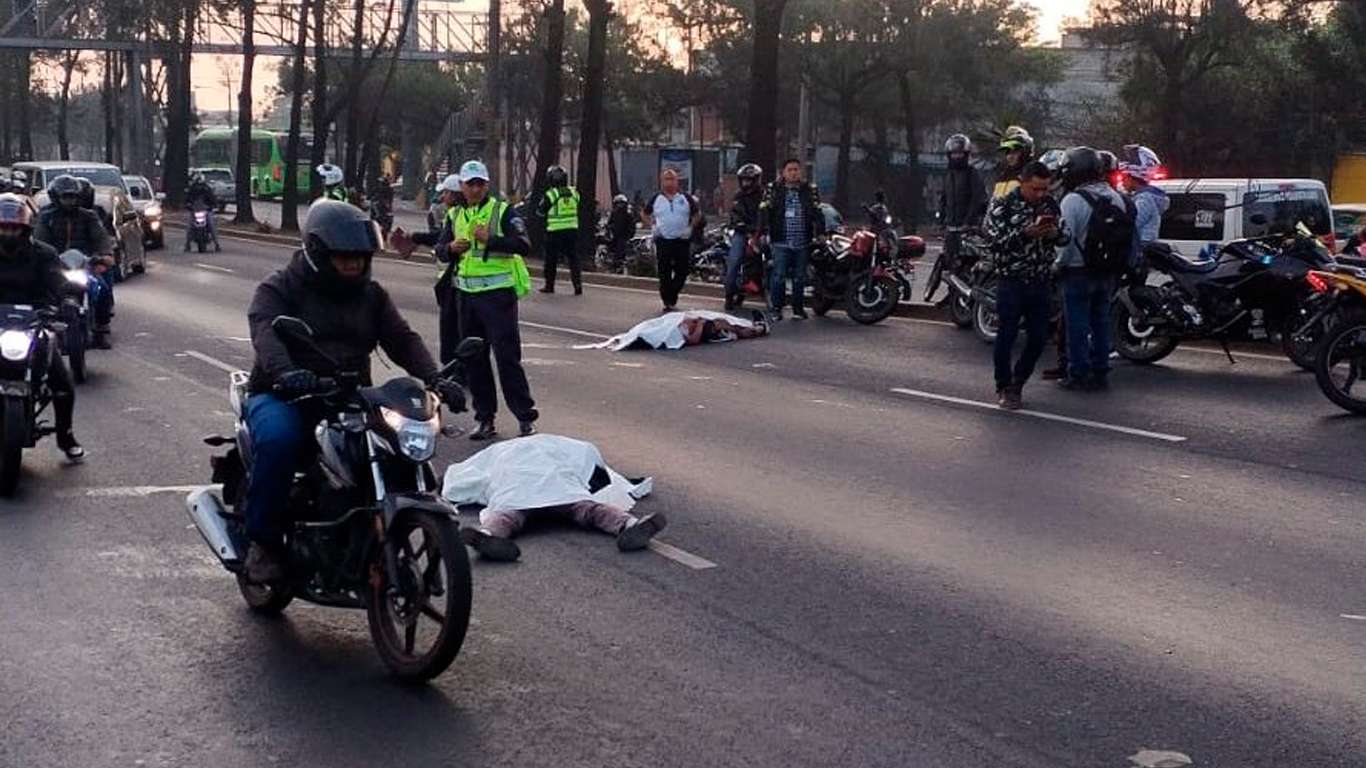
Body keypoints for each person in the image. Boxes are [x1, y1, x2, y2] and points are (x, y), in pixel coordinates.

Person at [241, 200, 462, 583]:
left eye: (360, 258)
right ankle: (264, 544)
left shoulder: (371, 296)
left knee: (395, 447)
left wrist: (435, 378)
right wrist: (290, 374)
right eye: (344, 258)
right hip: (284, 395)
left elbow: (402, 340)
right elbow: (267, 336)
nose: (354, 265)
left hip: (349, 397)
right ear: (318, 253)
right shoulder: (279, 289)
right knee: (279, 441)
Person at [449, 159, 539, 441]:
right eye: (470, 184)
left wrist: (492, 240)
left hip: (497, 297)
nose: (475, 189)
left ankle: (525, 418)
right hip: (467, 297)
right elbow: (441, 247)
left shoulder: (502, 211)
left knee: (507, 358)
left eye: (480, 184)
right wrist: (449, 248)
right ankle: (485, 418)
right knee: (474, 361)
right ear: (462, 186)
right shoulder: (454, 215)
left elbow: (524, 245)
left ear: (487, 185)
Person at [0, 194, 84, 460]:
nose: (8, 233)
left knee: (62, 383)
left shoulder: (43, 254)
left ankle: (65, 435)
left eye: (13, 228)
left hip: (34, 324)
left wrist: (68, 300)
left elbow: (58, 282)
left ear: (25, 229)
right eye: (3, 228)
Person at [982, 162, 1069, 410]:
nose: (1040, 194)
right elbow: (994, 242)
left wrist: (1053, 234)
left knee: (1039, 338)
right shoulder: (1003, 205)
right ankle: (1004, 385)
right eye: (1035, 189)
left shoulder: (1050, 205)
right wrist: (1024, 234)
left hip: (1040, 280)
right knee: (1006, 335)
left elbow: (1066, 236)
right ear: (1023, 182)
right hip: (1011, 280)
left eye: (1045, 189)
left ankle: (1018, 381)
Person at [1054, 146, 1134, 391]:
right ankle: (1101, 369)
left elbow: (1065, 241)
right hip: (1108, 271)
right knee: (1101, 321)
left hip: (1078, 272)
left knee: (1076, 324)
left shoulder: (1073, 201)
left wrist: (1057, 265)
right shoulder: (1118, 197)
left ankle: (1078, 372)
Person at [34, 175, 115, 350]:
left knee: (102, 289)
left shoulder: (89, 216)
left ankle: (102, 329)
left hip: (84, 264)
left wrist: (104, 255)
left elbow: (101, 238)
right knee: (40, 292)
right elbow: (40, 241)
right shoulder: (46, 217)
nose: (69, 201)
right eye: (65, 197)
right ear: (55, 197)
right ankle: (43, 328)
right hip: (55, 266)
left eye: (73, 196)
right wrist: (46, 258)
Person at [759, 158, 824, 321]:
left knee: (800, 276)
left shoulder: (809, 190)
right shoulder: (773, 189)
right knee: (779, 275)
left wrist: (821, 232)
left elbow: (817, 211)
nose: (794, 173)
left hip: (803, 240)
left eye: (796, 169)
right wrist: (762, 231)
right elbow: (764, 210)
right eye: (790, 170)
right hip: (781, 239)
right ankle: (776, 308)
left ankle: (798, 308)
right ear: (783, 172)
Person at [640, 169, 701, 312]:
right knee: (664, 271)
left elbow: (697, 214)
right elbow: (644, 213)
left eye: (671, 179)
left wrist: (690, 228)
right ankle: (667, 299)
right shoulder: (656, 198)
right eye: (666, 179)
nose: (669, 182)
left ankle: (673, 292)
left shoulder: (685, 198)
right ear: (661, 181)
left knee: (683, 270)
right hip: (663, 239)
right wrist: (653, 226)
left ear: (677, 181)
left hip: (681, 239)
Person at [938, 134, 987, 278]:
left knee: (964, 262)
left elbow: (977, 199)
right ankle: (951, 294)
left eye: (959, 153)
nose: (956, 157)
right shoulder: (948, 174)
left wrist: (968, 221)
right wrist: (941, 219)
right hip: (951, 227)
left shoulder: (972, 173)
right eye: (953, 153)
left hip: (967, 228)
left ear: (966, 154)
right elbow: (944, 198)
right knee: (949, 262)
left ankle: (962, 295)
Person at [725, 163, 765, 310]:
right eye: (744, 180)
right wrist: (740, 224)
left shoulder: (764, 195)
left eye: (749, 180)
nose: (746, 183)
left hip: (761, 232)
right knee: (734, 260)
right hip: (743, 232)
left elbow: (768, 212)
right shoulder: (739, 197)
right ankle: (729, 295)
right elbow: (735, 213)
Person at [538, 165, 582, 295]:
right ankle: (577, 285)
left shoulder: (551, 194)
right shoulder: (575, 193)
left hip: (555, 231)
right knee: (573, 258)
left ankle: (549, 285)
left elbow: (540, 211)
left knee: (551, 259)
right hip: (572, 230)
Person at [1118, 145, 1169, 248]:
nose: (1122, 181)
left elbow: (1131, 225)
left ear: (1134, 176)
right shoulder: (1144, 197)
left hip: (1141, 250)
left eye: (1124, 176)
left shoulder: (1144, 199)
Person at [993, 126, 1034, 200]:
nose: (1010, 157)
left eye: (1015, 152)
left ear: (1025, 152)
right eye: (1007, 152)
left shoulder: (1032, 176)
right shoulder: (1003, 175)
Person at [185, 172, 221, 252]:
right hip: (195, 211)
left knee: (212, 225)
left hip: (206, 211)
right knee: (189, 226)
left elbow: (212, 198)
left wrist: (213, 205)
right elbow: (187, 199)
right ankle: (187, 244)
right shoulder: (192, 189)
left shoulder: (207, 188)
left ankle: (217, 244)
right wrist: (188, 205)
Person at [606, 194, 635, 270]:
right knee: (611, 244)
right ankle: (611, 259)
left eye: (621, 203)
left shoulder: (628, 214)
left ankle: (618, 262)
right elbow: (609, 223)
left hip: (624, 236)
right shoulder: (614, 213)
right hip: (614, 235)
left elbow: (632, 225)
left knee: (621, 247)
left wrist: (629, 234)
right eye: (618, 203)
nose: (620, 205)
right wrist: (609, 228)